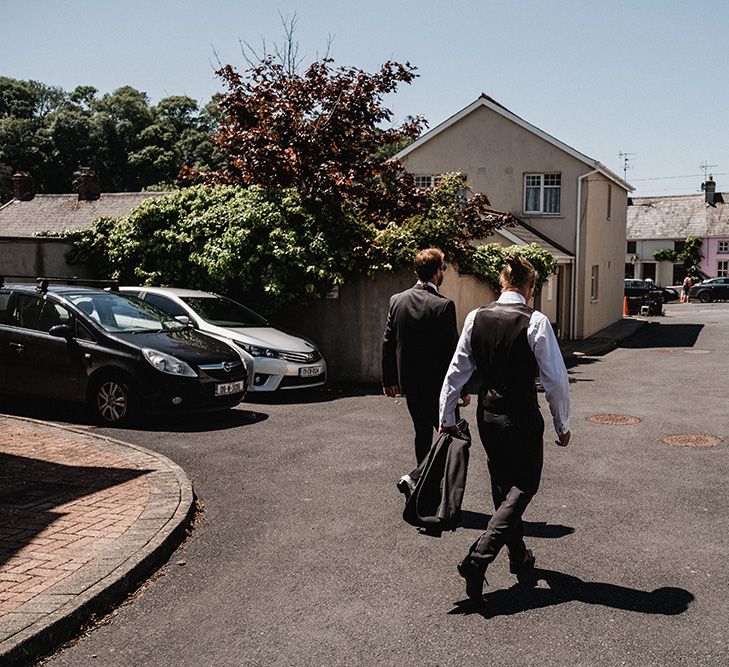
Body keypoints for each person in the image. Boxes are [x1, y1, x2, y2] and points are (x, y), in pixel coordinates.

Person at [439, 255, 571, 601]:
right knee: (525, 484)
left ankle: (519, 555)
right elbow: (555, 379)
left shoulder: (475, 317)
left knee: (503, 486)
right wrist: (562, 423)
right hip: (521, 414)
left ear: (502, 283)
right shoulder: (536, 321)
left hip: (488, 413)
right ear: (530, 287)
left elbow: (457, 370)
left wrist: (447, 415)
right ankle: (479, 557)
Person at [382, 248, 469, 497]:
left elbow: (388, 342)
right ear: (437, 272)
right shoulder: (443, 306)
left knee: (422, 434)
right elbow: (452, 352)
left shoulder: (397, 300)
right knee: (451, 437)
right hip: (440, 387)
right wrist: (461, 389)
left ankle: (424, 488)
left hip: (410, 383)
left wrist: (389, 380)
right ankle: (417, 477)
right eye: (443, 268)